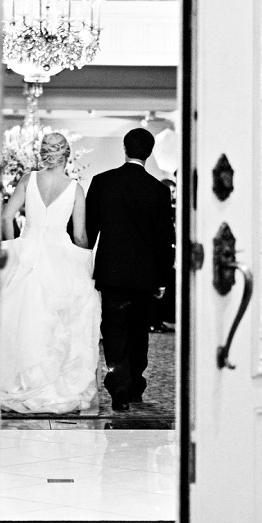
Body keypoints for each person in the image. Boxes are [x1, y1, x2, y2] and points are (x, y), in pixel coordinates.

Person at [0, 132, 101, 414]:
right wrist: (86, 260)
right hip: (60, 258)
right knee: (60, 324)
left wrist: (14, 245)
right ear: (66, 154)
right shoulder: (75, 188)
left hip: (27, 253)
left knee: (22, 320)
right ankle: (52, 384)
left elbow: (6, 217)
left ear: (43, 153)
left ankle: (21, 382)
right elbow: (80, 235)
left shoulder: (28, 180)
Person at [85, 128, 175, 411]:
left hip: (111, 273)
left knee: (113, 330)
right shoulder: (159, 191)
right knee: (139, 332)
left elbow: (89, 230)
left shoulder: (103, 182)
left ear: (125, 148)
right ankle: (135, 384)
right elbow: (165, 239)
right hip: (145, 276)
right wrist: (162, 278)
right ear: (148, 154)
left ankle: (118, 386)